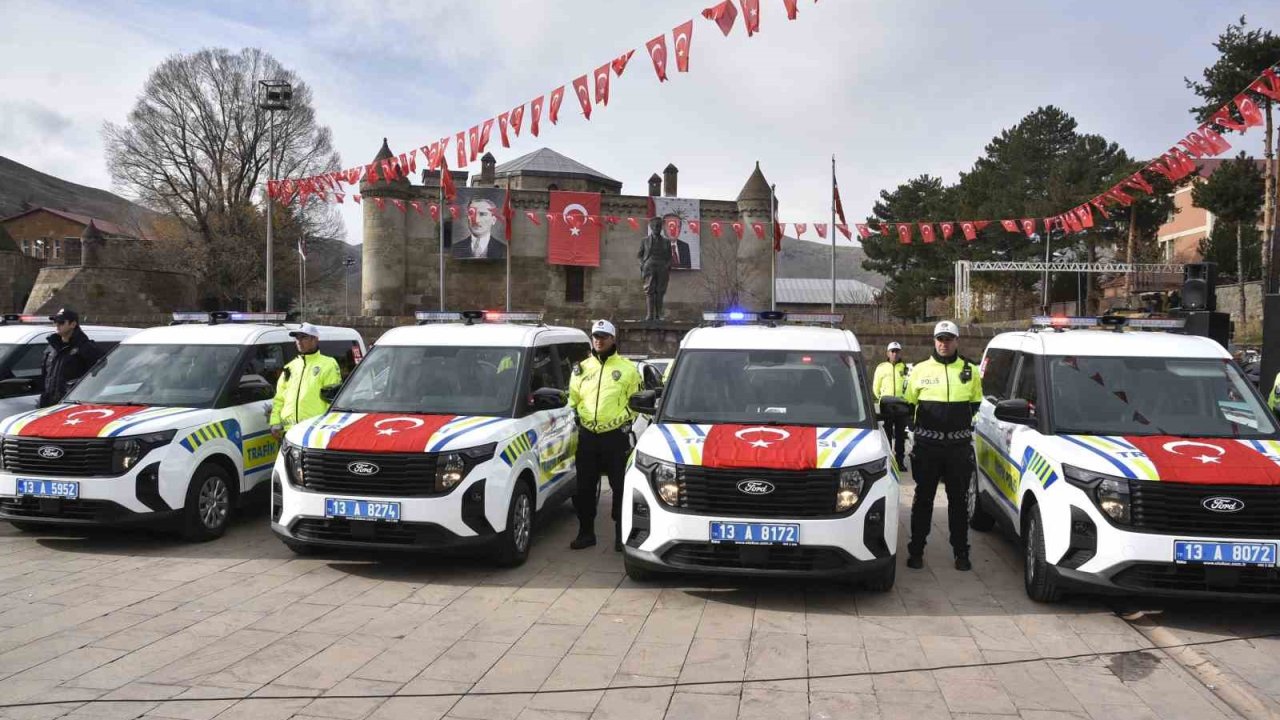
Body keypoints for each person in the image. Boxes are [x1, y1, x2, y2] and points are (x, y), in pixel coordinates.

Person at [903, 320, 983, 571]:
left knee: (958, 502)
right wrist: (914, 430)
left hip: (958, 449)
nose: (943, 343)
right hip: (928, 448)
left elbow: (976, 406)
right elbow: (909, 405)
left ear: (957, 341)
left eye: (948, 339)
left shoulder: (970, 370)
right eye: (940, 339)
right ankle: (916, 550)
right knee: (923, 499)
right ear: (934, 340)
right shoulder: (919, 370)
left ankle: (961, 552)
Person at [567, 319, 642, 551]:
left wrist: (623, 419)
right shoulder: (581, 368)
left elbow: (637, 403)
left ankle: (621, 535)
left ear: (613, 339)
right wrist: (577, 416)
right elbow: (573, 399)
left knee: (620, 488)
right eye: (595, 337)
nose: (598, 341)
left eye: (603, 337)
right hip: (588, 436)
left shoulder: (628, 369)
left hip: (615, 438)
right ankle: (586, 533)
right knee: (584, 488)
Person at [270, 323, 342, 439]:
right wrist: (275, 422)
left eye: (303, 337)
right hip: (289, 432)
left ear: (315, 339)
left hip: (315, 431)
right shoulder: (290, 367)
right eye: (297, 338)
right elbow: (279, 398)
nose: (299, 341)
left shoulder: (328, 364)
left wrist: (329, 427)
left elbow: (332, 399)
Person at [38, 308, 103, 407]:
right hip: (50, 405)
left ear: (73, 324)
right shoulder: (52, 348)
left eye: (61, 322)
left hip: (74, 405)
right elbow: (45, 377)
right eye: (56, 322)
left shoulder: (86, 348)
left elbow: (99, 378)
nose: (57, 325)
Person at [873, 341, 909, 471]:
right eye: (892, 351)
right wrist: (882, 398)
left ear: (900, 353)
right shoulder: (881, 367)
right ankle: (888, 460)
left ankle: (900, 461)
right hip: (887, 404)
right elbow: (875, 387)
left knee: (900, 435)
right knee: (887, 433)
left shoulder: (905, 368)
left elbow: (909, 385)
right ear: (888, 353)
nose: (894, 354)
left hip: (901, 404)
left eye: (897, 351)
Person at [638, 218, 672, 321]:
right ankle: (649, 315)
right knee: (649, 291)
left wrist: (667, 266)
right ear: (651, 227)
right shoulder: (645, 241)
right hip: (649, 267)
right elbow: (639, 255)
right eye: (655, 226)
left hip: (662, 267)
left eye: (659, 226)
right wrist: (642, 264)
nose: (657, 228)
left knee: (660, 291)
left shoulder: (666, 242)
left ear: (661, 228)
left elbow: (669, 257)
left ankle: (658, 315)